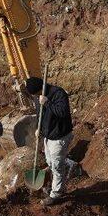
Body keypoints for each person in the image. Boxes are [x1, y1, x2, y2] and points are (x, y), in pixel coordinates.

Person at [25, 77, 74, 206]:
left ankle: (56, 193)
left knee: (56, 165)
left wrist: (47, 102)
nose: (36, 96)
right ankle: (60, 179)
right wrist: (38, 128)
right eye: (34, 95)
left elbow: (63, 112)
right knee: (50, 162)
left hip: (60, 136)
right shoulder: (38, 97)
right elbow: (39, 114)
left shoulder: (58, 93)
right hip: (48, 135)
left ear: (42, 88)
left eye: (36, 93)